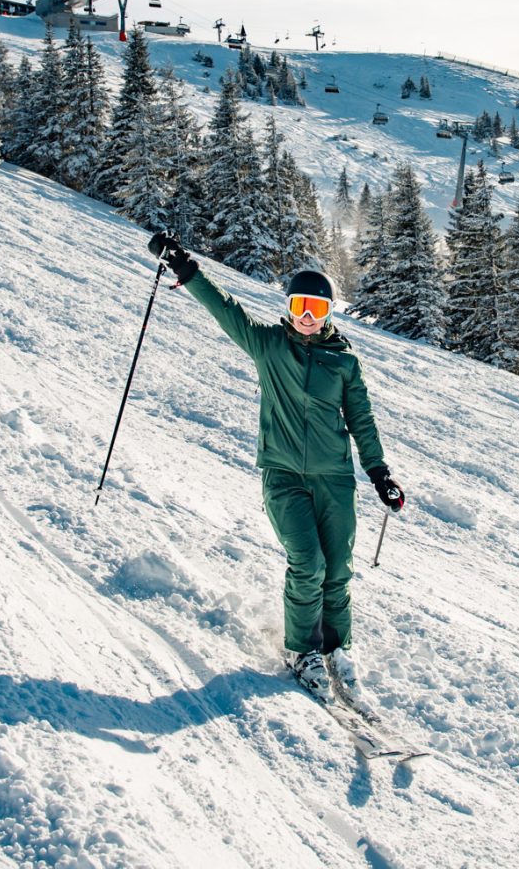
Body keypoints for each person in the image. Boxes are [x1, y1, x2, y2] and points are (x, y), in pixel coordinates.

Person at [147, 232, 405, 704]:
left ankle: (336, 647)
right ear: (288, 308)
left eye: (318, 310)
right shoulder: (268, 346)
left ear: (329, 315)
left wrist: (379, 473)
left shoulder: (344, 362)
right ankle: (302, 650)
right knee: (307, 562)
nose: (308, 318)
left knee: (338, 571)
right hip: (283, 476)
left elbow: (362, 420)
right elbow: (227, 311)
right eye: (301, 306)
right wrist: (186, 270)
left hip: (334, 478)